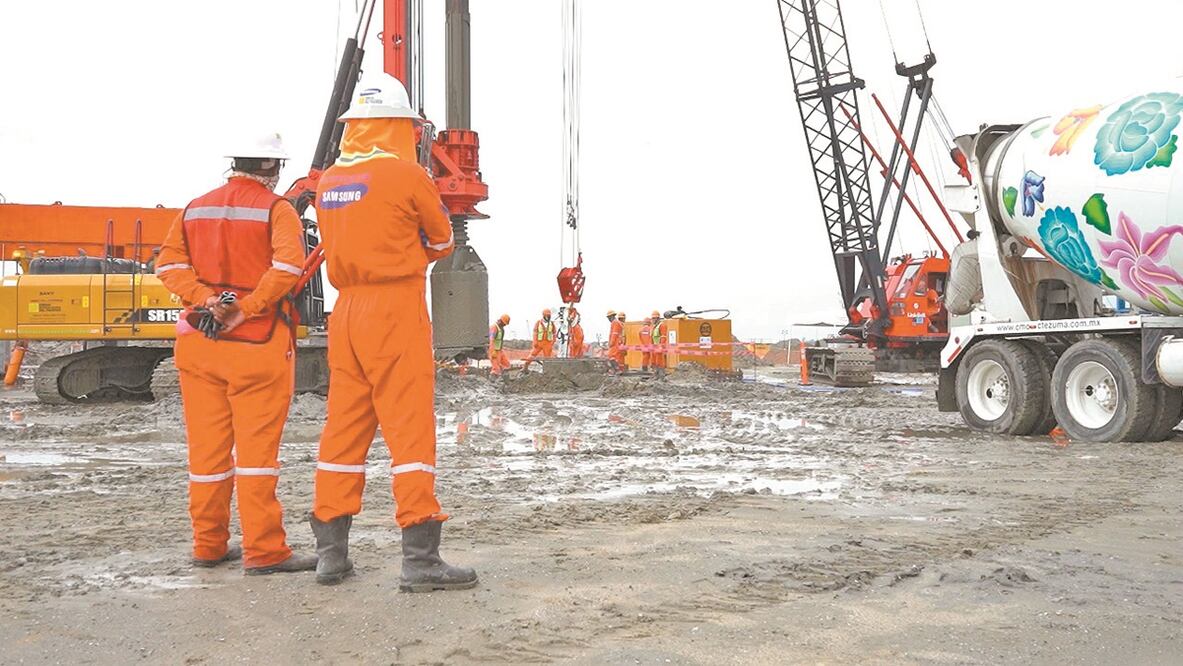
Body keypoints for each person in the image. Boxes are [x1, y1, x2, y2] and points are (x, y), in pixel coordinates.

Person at [309, 81, 477, 592]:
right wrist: (409, 255)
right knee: (409, 431)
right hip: (395, 306)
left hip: (347, 311)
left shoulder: (328, 183)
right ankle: (421, 558)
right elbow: (443, 240)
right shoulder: (406, 175)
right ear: (399, 126)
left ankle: (330, 555)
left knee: (342, 431)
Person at [156, 132, 316, 575]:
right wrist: (244, 308)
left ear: (235, 162)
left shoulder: (195, 206)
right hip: (257, 346)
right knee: (256, 457)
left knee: (206, 455)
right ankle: (264, 551)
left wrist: (206, 299)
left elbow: (167, 265)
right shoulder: (277, 210)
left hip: (200, 345)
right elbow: (287, 267)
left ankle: (208, 545)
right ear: (274, 168)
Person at [649, 310, 668, 377]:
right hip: (654, 347)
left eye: (655, 318)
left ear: (658, 318)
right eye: (653, 318)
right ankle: (656, 374)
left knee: (659, 361)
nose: (653, 319)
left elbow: (663, 336)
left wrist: (661, 346)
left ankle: (661, 375)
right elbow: (652, 337)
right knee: (654, 361)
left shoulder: (662, 325)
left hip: (659, 346)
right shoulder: (654, 326)